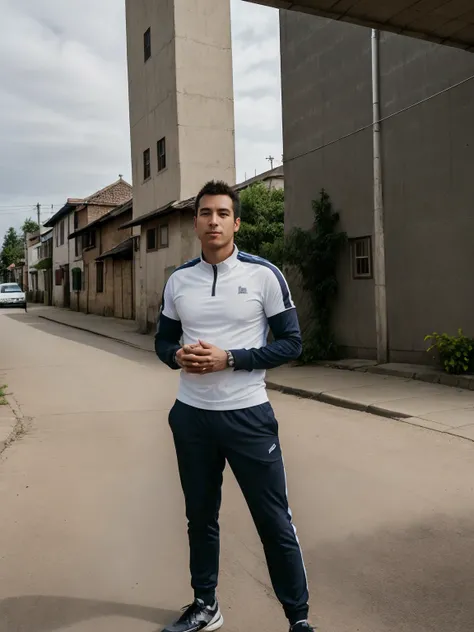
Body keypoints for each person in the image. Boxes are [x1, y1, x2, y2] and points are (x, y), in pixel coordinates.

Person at [155, 180, 313, 632]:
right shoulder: (179, 280)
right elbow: (163, 340)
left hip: (247, 415)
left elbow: (292, 344)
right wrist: (175, 356)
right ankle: (206, 605)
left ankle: (298, 620)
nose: (213, 221)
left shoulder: (263, 275)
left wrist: (231, 359)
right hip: (191, 417)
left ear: (236, 222)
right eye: (205, 213)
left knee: (273, 521)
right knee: (200, 518)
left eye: (222, 213)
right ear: (195, 222)